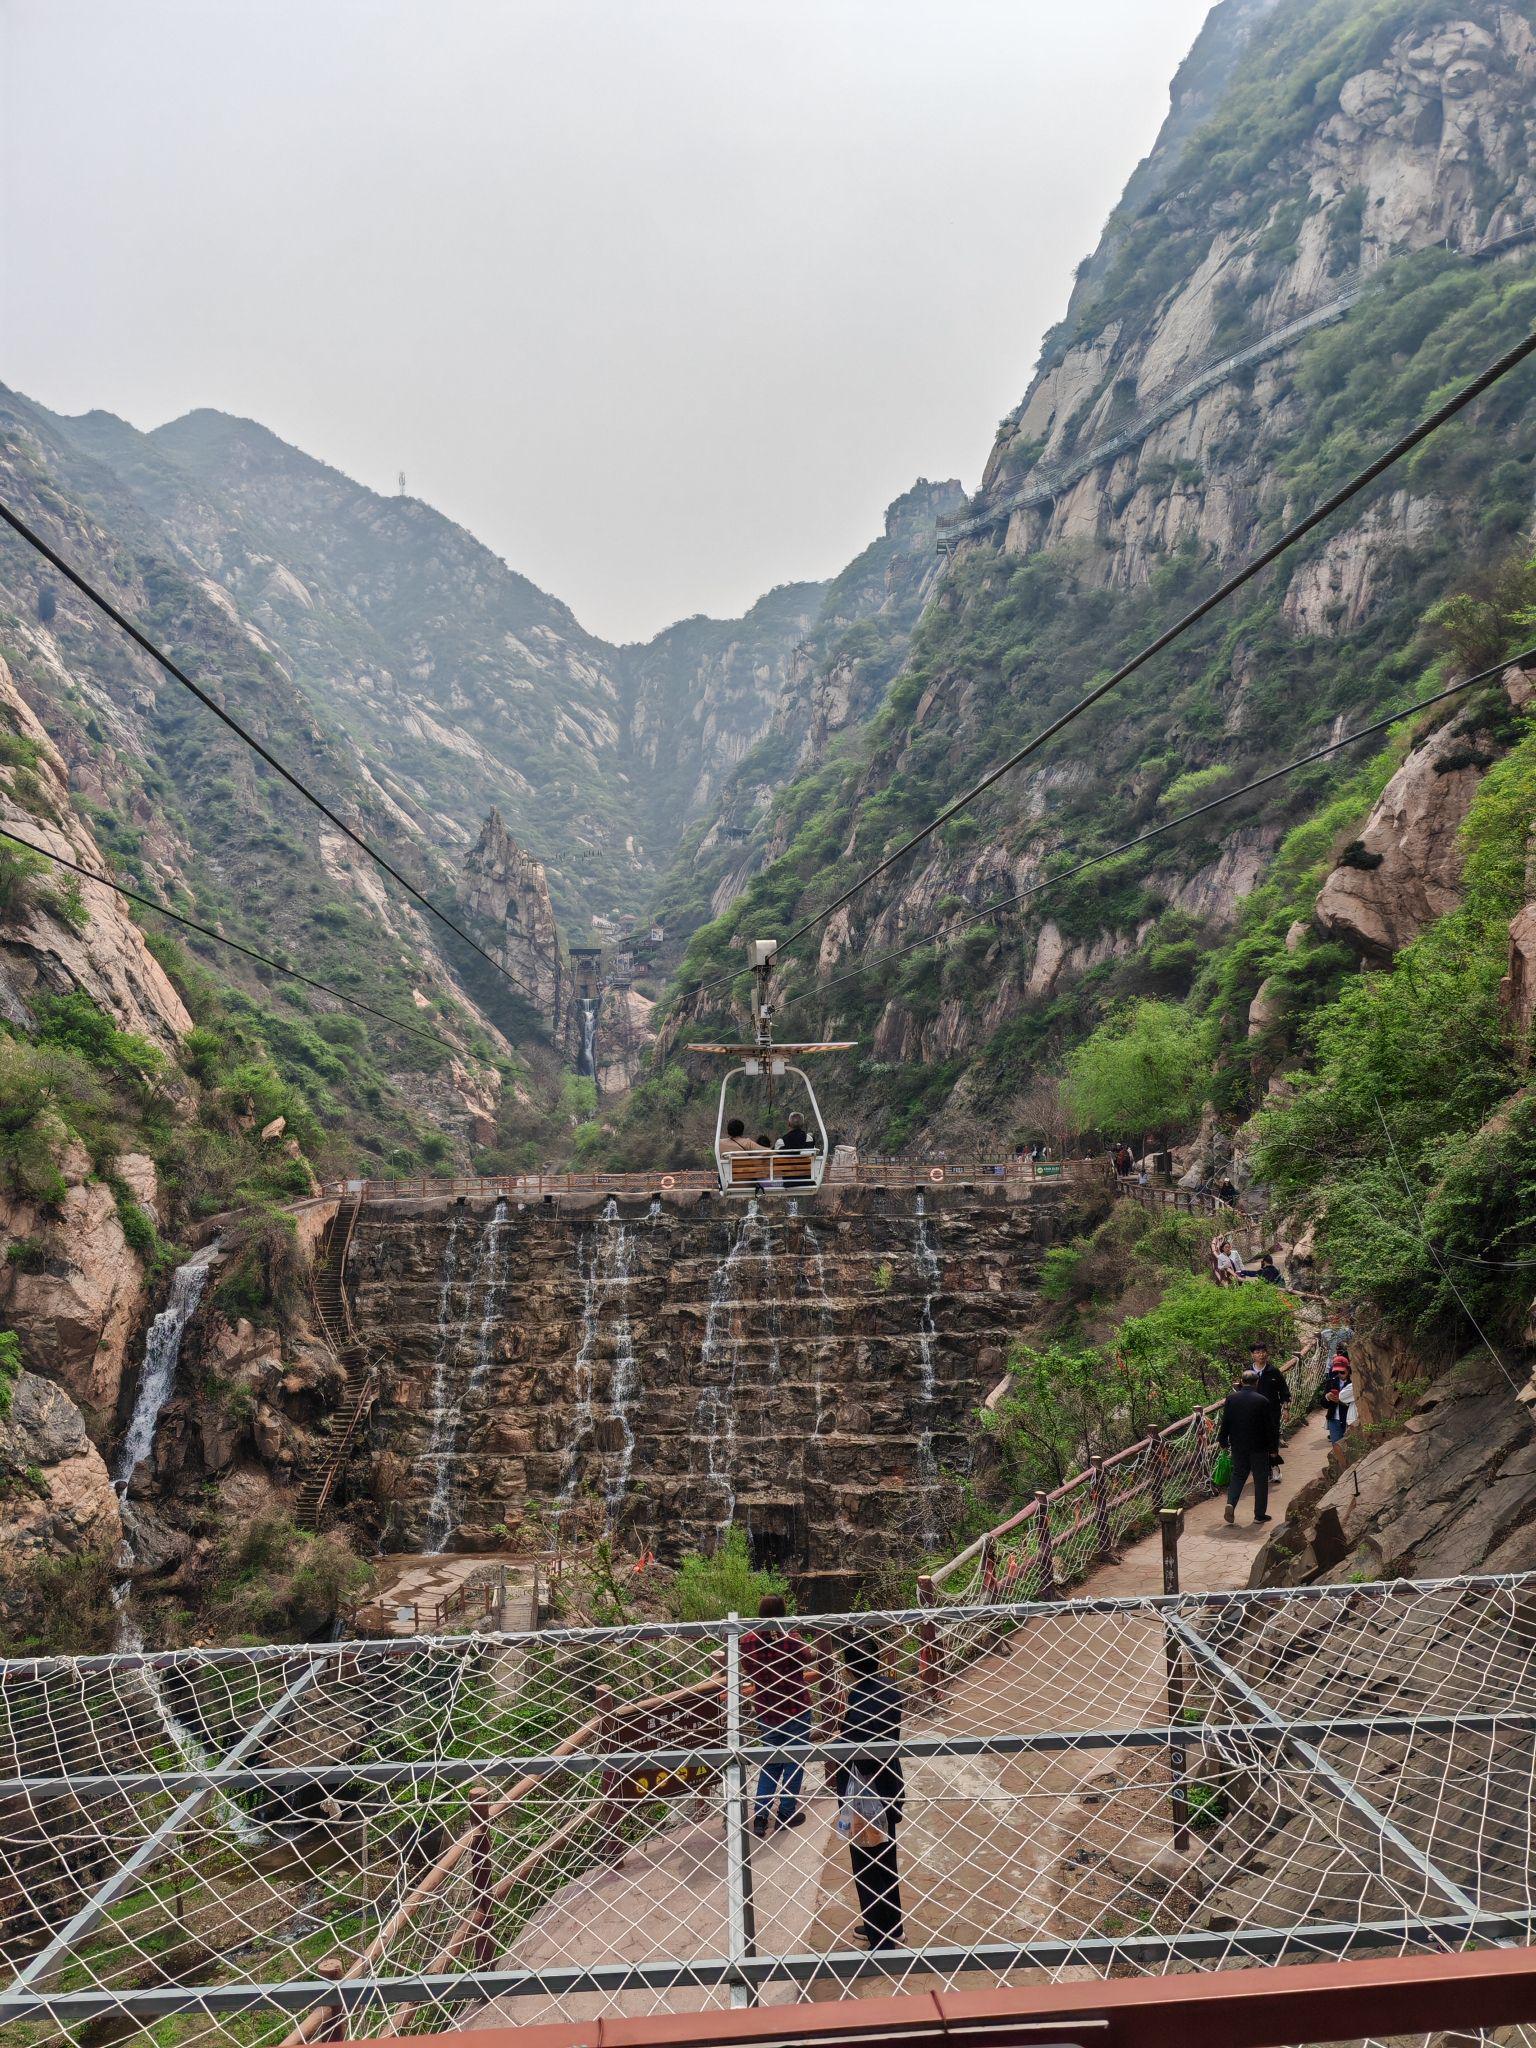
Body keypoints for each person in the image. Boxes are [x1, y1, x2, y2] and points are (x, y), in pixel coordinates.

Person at [831, 1634, 905, 1950]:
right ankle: (892, 1925)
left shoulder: (857, 1701)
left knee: (865, 1863)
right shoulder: (892, 1690)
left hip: (864, 1793)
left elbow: (856, 1748)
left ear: (849, 1667)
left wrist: (835, 1743)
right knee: (886, 1859)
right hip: (889, 1785)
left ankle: (880, 1936)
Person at [740, 1594, 813, 1835]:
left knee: (770, 1764)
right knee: (794, 1760)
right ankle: (785, 1813)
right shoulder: (790, 1640)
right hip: (795, 1708)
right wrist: (795, 1635)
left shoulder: (747, 1641)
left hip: (767, 1710)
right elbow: (809, 1656)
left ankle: (760, 1817)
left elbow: (747, 1667)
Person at [1219, 1366, 1278, 1526]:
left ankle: (1231, 1502)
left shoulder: (1231, 1399)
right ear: (1256, 1382)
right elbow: (1269, 1428)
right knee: (1260, 1479)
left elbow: (1226, 1422)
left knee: (1238, 1475)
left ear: (1241, 1382)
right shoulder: (1262, 1401)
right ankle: (1259, 1515)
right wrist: (1273, 1449)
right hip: (1259, 1446)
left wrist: (1222, 1440)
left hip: (1238, 1445)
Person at [1251, 1341, 1290, 1474]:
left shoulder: (1273, 1371)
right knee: (1257, 1439)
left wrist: (1285, 1409)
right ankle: (1264, 1467)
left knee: (1272, 1438)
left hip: (1271, 1412)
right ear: (1252, 1355)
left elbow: (1284, 1391)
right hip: (1254, 1414)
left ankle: (1274, 1466)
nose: (1261, 1355)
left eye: (1263, 1352)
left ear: (1267, 1353)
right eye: (1257, 1352)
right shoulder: (1248, 1373)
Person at [1320, 1349, 1352, 1445]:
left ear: (1348, 1369)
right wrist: (1327, 1397)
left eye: (1342, 1372)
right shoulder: (1331, 1381)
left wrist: (1341, 1400)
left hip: (1348, 1419)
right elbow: (1323, 1403)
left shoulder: (1354, 1382)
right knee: (1337, 1447)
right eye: (1337, 1371)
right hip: (1333, 1419)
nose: (1339, 1374)